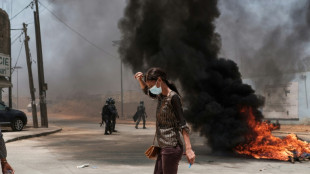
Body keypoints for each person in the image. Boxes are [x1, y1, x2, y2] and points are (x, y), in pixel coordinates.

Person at [134, 67, 195, 174]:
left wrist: (189, 149)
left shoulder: (173, 98)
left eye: (152, 85)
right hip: (163, 147)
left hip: (171, 147)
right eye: (149, 86)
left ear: (160, 80)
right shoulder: (160, 95)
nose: (151, 88)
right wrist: (140, 80)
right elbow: (147, 92)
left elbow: (183, 124)